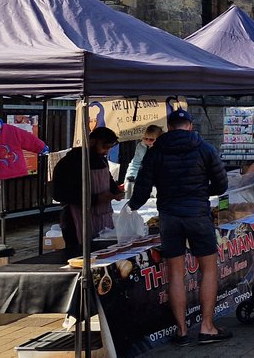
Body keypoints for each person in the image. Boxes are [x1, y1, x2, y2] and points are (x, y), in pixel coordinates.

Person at [129, 110, 231, 346]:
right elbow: (221, 184)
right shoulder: (205, 148)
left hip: (169, 217)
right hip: (197, 214)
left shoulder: (156, 151)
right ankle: (207, 327)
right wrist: (201, 193)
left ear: (170, 127)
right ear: (190, 125)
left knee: (175, 273)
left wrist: (131, 206)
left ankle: (182, 330)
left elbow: (142, 190)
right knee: (209, 270)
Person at [53, 127, 122, 258]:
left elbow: (108, 178)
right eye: (105, 147)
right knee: (78, 256)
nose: (107, 151)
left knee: (103, 254)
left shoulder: (101, 159)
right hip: (75, 220)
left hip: (102, 218)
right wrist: (95, 199)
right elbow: (59, 193)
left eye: (109, 148)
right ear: (92, 142)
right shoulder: (70, 162)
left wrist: (116, 191)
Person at [124, 124, 162, 197]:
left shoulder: (163, 147)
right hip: (145, 177)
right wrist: (131, 175)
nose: (147, 141)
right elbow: (135, 163)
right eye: (145, 138)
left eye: (151, 139)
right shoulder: (140, 146)